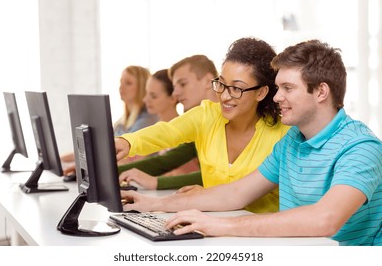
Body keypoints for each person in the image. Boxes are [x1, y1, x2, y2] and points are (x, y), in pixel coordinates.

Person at [119, 40, 382, 246]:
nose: (277, 98)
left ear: (321, 92)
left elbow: (325, 219)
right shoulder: (293, 141)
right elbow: (235, 193)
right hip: (298, 254)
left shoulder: (361, 148)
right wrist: (152, 204)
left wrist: (222, 226)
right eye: (278, 88)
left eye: (287, 89)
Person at [116, 37, 290, 213]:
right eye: (221, 84)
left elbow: (237, 194)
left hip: (260, 234)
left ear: (261, 92)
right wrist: (127, 143)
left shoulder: (283, 134)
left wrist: (204, 194)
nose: (224, 96)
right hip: (211, 229)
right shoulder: (206, 116)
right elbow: (167, 131)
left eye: (236, 88)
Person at [117, 55, 219, 189]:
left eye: (183, 84)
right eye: (175, 86)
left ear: (207, 81)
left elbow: (218, 176)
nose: (176, 93)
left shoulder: (227, 119)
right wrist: (101, 173)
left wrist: (157, 182)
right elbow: (164, 161)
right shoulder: (201, 120)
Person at [61, 65, 158, 176]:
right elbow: (99, 150)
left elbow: (127, 160)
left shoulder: (147, 120)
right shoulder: (122, 122)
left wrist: (84, 167)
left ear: (142, 88)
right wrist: (61, 160)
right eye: (121, 82)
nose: (121, 87)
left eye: (128, 83)